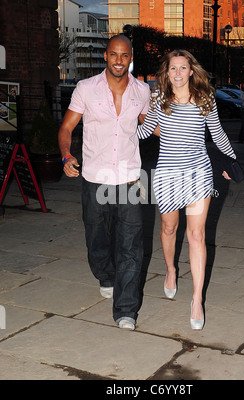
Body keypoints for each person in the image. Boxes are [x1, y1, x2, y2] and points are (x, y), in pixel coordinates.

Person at [137, 49, 236, 330]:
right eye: (173, 69)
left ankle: (196, 299)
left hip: (198, 174)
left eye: (183, 68)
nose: (178, 73)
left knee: (196, 234)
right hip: (168, 173)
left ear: (191, 70)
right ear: (166, 73)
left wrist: (232, 161)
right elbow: (145, 132)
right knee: (169, 229)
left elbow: (216, 134)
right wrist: (119, 131)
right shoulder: (158, 99)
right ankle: (170, 270)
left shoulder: (205, 99)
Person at [58, 34, 150, 331]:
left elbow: (153, 128)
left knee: (131, 244)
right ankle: (105, 274)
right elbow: (67, 127)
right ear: (106, 56)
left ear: (130, 56)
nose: (119, 60)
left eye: (124, 55)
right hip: (95, 177)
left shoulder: (143, 90)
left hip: (131, 178)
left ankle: (126, 310)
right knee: (97, 236)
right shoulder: (86, 89)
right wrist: (65, 156)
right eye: (113, 54)